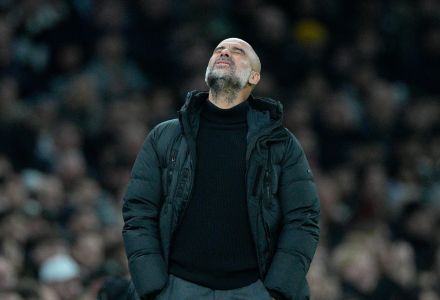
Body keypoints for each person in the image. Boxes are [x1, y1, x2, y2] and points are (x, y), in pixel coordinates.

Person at [122, 38, 320, 300]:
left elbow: (303, 218)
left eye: (238, 52)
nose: (225, 52)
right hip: (176, 288)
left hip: (253, 290)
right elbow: (138, 210)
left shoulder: (282, 144)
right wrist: (152, 284)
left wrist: (277, 289)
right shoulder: (165, 136)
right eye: (218, 50)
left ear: (254, 77)